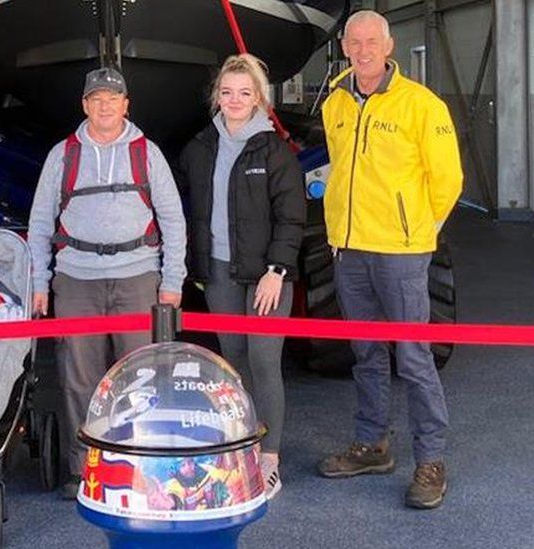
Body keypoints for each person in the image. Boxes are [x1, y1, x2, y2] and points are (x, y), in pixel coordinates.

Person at [316, 10, 463, 510]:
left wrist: (419, 233)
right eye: (354, 41)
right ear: (344, 45)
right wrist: (340, 232)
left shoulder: (422, 105)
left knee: (415, 359)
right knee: (366, 354)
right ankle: (372, 444)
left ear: (389, 44)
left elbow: (448, 181)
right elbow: (340, 172)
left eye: (371, 41)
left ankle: (431, 459)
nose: (362, 49)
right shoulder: (335, 100)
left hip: (401, 252)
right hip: (350, 249)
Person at [27, 66, 187, 498]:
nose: (104, 105)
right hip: (76, 280)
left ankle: (141, 462)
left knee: (140, 376)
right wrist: (39, 282)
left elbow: (173, 219)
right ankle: (84, 470)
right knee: (79, 377)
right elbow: (40, 222)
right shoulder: (63, 154)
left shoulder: (146, 151)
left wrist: (172, 282)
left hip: (137, 277)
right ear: (84, 105)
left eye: (112, 98)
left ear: (125, 104)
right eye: (96, 98)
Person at [177, 53, 305, 500]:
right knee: (233, 362)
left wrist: (278, 271)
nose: (235, 100)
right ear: (218, 96)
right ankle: (242, 443)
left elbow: (291, 218)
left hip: (267, 277)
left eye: (245, 93)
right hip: (220, 274)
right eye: (227, 92)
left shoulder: (275, 152)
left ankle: (269, 456)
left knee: (265, 360)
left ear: (259, 99)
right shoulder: (198, 149)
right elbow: (188, 212)